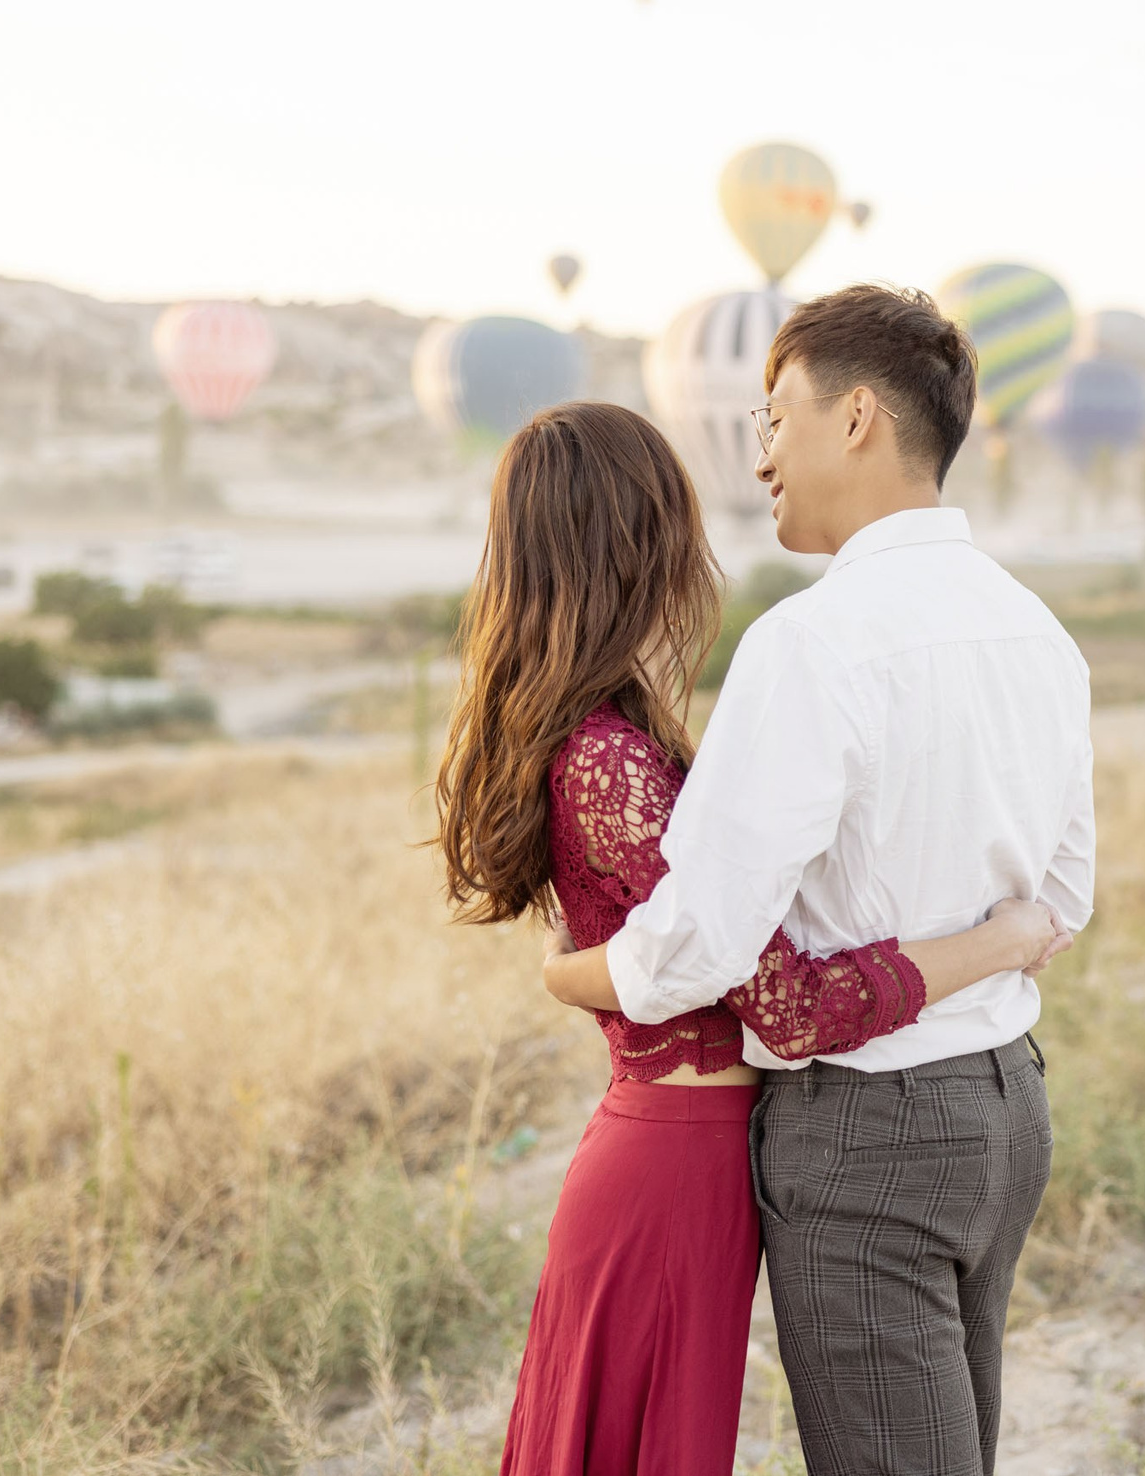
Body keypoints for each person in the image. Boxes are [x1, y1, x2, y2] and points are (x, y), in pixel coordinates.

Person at [434, 400, 1065, 1476]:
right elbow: (786, 1005)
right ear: (636, 541)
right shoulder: (609, 758)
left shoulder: (619, 732)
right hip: (673, 1162)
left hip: (695, 1154)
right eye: (674, 518)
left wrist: (571, 974)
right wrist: (1001, 942)